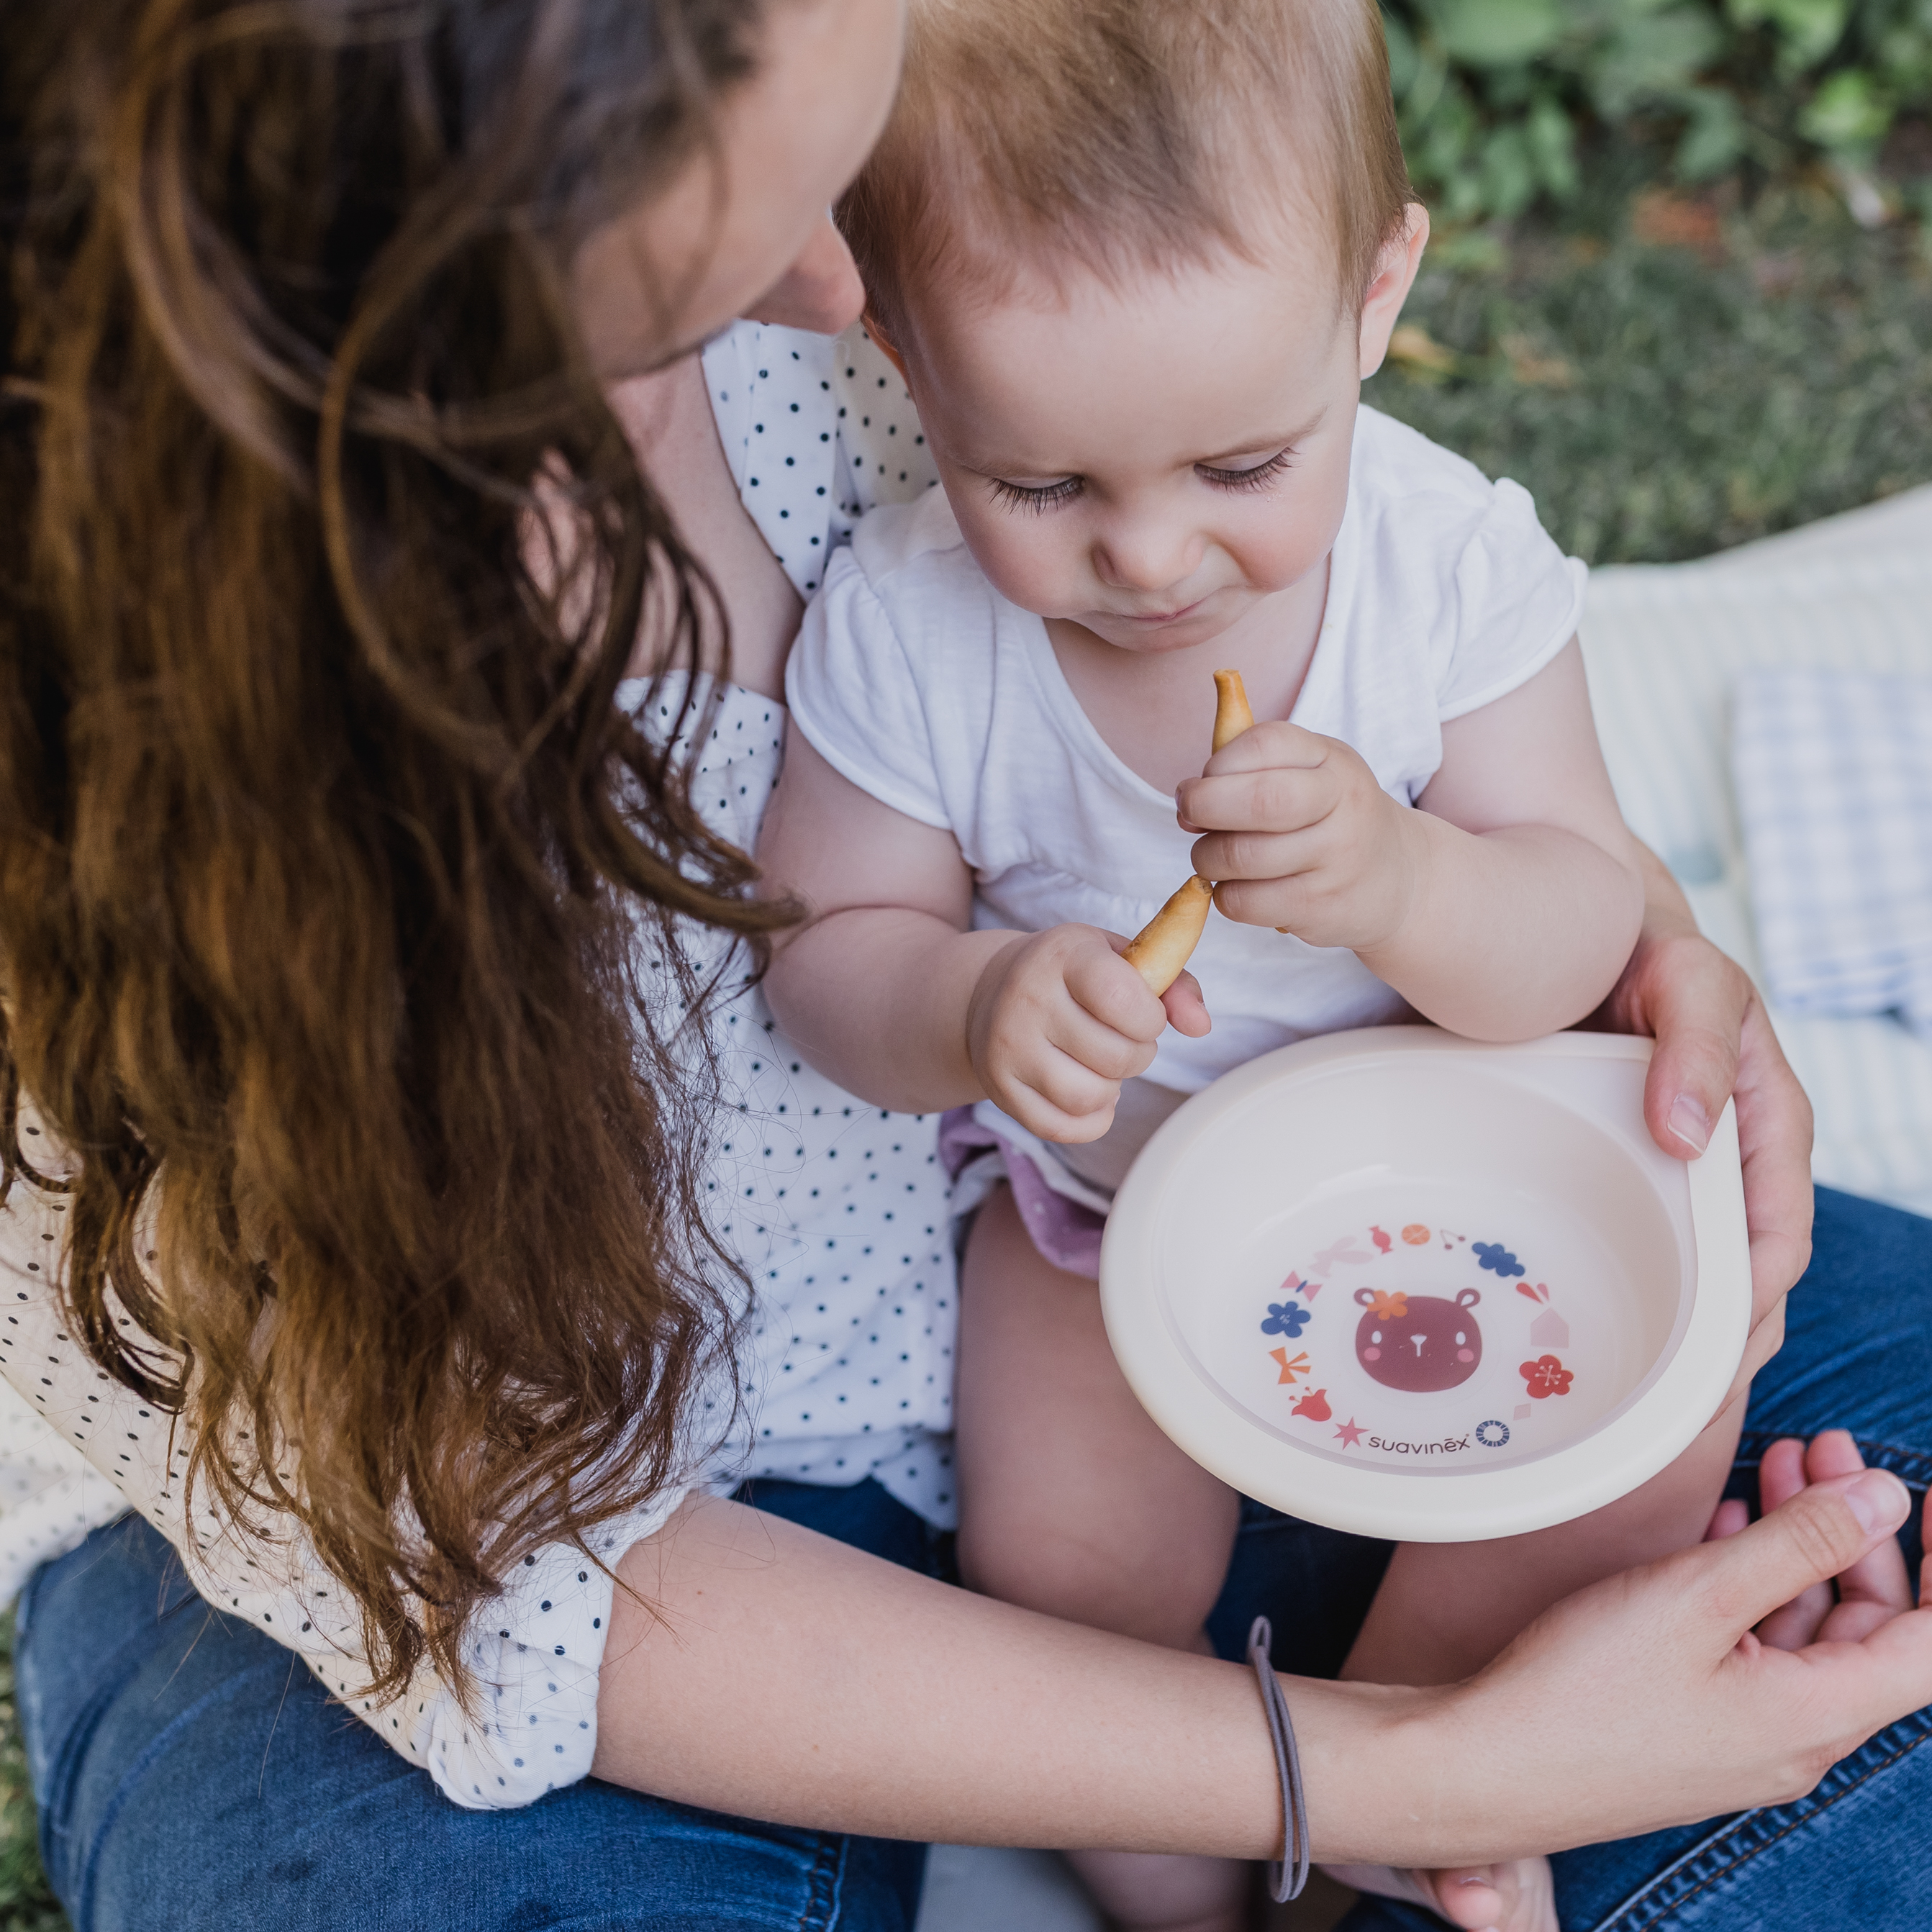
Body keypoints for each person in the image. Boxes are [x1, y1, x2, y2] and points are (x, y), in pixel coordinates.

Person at [1, 4, 1931, 1931]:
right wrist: (1405, 1769)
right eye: (691, 284)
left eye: (836, 180)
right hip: (657, 1481)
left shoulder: (1022, 321)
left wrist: (1649, 977)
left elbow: (1540, 833)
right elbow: (533, 1552)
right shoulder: (140, 754)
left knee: (1851, 1620)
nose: (841, 294)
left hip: (1315, 1225)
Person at [750, 4, 1730, 1924]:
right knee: (1065, 1586)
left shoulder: (1445, 570)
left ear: (1375, 300)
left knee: (1599, 1490)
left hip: (1474, 1160)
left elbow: (1576, 923)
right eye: (1042, 486)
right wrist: (973, 1005)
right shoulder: (914, 626)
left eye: (1241, 460)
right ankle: (1196, 1904)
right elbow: (828, 959)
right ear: (903, 367)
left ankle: (1415, 1841)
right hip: (1112, 1203)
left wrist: (1400, 879)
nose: (1151, 555)